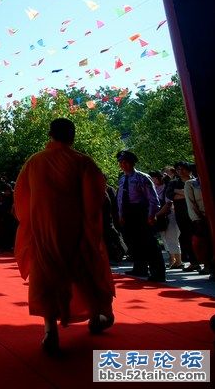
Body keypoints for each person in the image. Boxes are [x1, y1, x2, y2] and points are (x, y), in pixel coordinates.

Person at [14, 118, 115, 354]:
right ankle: (104, 314)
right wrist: (91, 228)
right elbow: (96, 199)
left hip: (44, 230)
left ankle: (50, 329)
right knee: (88, 271)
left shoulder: (34, 162)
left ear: (50, 135)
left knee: (47, 276)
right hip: (76, 230)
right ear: (72, 135)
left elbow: (21, 199)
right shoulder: (82, 161)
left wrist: (33, 221)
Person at [117, 150, 166, 282]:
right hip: (128, 213)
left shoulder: (142, 177)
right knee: (133, 242)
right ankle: (140, 267)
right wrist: (121, 214)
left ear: (132, 163)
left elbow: (153, 198)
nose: (122, 165)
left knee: (149, 242)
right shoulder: (122, 179)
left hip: (141, 211)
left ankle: (158, 272)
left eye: (125, 162)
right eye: (121, 162)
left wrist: (151, 215)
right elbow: (120, 199)